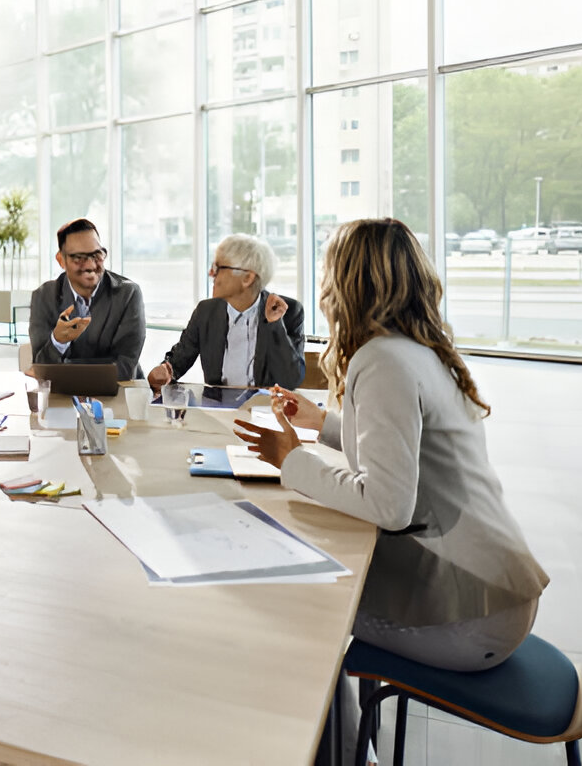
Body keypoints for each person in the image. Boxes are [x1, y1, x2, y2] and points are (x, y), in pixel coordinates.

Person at [235, 217, 548, 672]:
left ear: (348, 284)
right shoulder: (419, 348)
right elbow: (401, 453)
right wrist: (322, 423)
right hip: (497, 593)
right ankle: (348, 742)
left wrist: (293, 459)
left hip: (471, 617)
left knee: (306, 605)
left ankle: (339, 745)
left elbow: (388, 505)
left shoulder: (382, 360)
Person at [148, 233, 304, 392]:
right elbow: (177, 363)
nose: (211, 273)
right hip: (218, 410)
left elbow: (290, 380)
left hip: (265, 411)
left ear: (247, 278)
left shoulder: (288, 311)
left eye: (218, 268)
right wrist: (165, 372)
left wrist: (275, 324)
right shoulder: (206, 311)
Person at [28, 218, 146, 381]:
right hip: (63, 396)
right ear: (61, 260)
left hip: (119, 393)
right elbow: (41, 369)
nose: (91, 265)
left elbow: (124, 367)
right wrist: (58, 341)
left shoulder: (128, 294)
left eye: (97, 255)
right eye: (80, 258)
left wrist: (64, 366)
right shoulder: (43, 296)